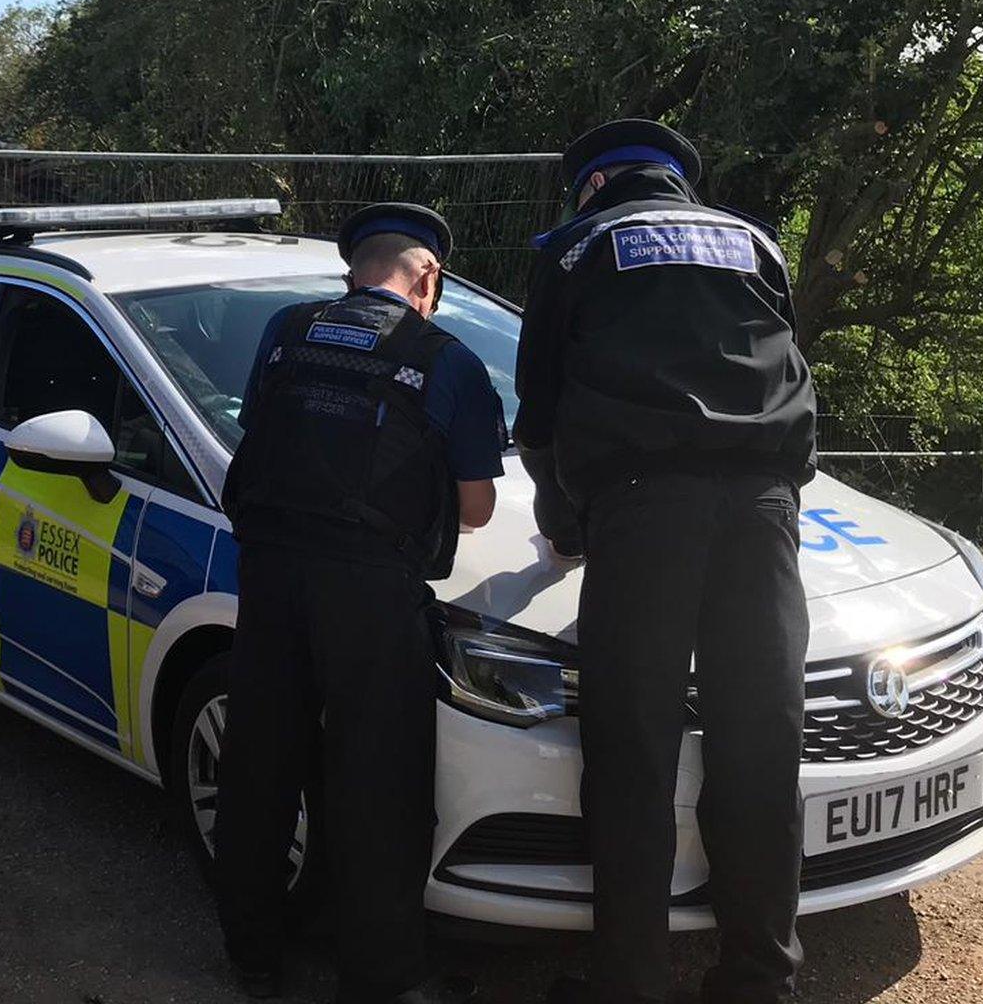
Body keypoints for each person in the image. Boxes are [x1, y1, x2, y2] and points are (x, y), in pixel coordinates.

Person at [514, 120, 818, 1004]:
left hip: (645, 511)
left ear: (592, 188)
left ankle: (630, 984)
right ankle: (760, 978)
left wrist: (567, 526)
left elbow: (542, 403)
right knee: (762, 747)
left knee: (633, 750)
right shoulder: (754, 241)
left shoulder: (579, 247)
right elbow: (788, 363)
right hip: (764, 509)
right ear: (682, 184)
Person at [215, 203, 504, 1004]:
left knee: (261, 759)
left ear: (353, 274)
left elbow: (264, 432)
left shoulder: (284, 330)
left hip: (270, 575)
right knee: (379, 778)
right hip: (371, 593)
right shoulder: (445, 358)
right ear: (429, 279)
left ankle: (254, 951)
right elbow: (476, 508)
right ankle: (384, 976)